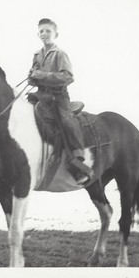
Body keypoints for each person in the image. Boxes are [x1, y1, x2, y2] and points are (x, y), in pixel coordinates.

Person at [28, 18, 93, 185]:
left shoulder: (60, 54)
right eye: (41, 31)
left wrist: (42, 76)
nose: (44, 34)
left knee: (66, 120)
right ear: (38, 34)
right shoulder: (37, 54)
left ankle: (77, 157)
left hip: (58, 97)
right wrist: (32, 79)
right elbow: (35, 77)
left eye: (48, 31)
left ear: (55, 34)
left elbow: (68, 77)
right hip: (42, 95)